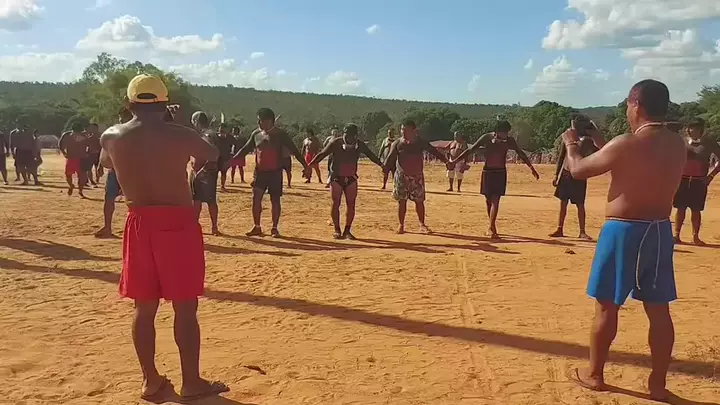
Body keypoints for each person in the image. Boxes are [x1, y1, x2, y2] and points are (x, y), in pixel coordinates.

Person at [99, 74, 227, 401]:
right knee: (185, 308)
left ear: (129, 103)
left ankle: (150, 380)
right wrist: (177, 126)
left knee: (144, 308)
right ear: (165, 103)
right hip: (178, 224)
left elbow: (106, 163)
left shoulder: (111, 136)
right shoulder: (181, 134)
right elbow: (211, 152)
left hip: (139, 222)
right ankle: (191, 382)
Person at [562, 80, 685, 402]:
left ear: (636, 104)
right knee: (659, 311)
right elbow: (631, 157)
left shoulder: (626, 144)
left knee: (606, 306)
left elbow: (578, 170)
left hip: (623, 230)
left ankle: (595, 374)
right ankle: (657, 384)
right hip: (658, 230)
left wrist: (572, 145)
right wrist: (599, 138)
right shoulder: (676, 143)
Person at [451, 120, 540, 239]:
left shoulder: (509, 141)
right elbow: (470, 150)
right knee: (488, 200)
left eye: (506, 133)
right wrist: (455, 161)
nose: (505, 135)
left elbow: (520, 153)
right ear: (496, 131)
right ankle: (492, 226)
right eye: (503, 132)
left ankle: (491, 227)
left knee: (495, 200)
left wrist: (531, 167)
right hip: (487, 172)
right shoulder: (487, 137)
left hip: (500, 173)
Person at [233, 107, 308, 237]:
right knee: (256, 198)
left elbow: (295, 150)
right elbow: (245, 149)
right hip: (260, 172)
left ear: (269, 121)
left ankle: (274, 228)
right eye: (258, 120)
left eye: (260, 120)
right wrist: (231, 161)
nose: (258, 123)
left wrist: (305, 166)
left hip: (275, 173)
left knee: (275, 200)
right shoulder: (256, 134)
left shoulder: (281, 135)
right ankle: (257, 226)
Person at [305, 124, 384, 239]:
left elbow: (371, 155)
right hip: (337, 178)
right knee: (335, 203)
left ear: (356, 136)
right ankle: (337, 229)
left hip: (351, 178)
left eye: (351, 136)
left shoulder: (360, 145)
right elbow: (322, 154)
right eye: (346, 136)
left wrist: (381, 164)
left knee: (351, 204)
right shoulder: (335, 143)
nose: (348, 139)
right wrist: (309, 165)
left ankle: (347, 230)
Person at [384, 119, 453, 234]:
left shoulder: (420, 142)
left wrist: (446, 161)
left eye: (406, 130)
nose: (403, 132)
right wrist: (384, 167)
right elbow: (390, 158)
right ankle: (401, 225)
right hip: (401, 176)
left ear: (414, 130)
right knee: (402, 201)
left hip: (417, 177)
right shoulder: (397, 143)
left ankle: (422, 224)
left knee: (419, 201)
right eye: (402, 130)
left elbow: (434, 152)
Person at [550, 115, 607, 240]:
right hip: (566, 174)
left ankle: (582, 232)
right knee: (563, 203)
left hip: (579, 176)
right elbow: (561, 156)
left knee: (580, 204)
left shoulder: (587, 140)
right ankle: (560, 228)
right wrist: (556, 174)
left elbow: (600, 152)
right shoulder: (569, 138)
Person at [672, 117, 720, 245]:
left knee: (696, 209)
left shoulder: (709, 143)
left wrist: (711, 176)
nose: (691, 130)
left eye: (694, 128)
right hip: (682, 180)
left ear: (701, 130)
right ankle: (676, 235)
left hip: (699, 181)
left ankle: (695, 237)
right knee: (680, 208)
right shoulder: (682, 141)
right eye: (689, 127)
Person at [94, 108, 133, 238]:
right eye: (121, 117)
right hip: (114, 171)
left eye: (124, 117)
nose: (121, 120)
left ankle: (134, 229)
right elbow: (106, 149)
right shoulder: (114, 132)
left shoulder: (137, 133)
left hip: (132, 172)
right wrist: (100, 165)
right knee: (109, 198)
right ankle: (107, 227)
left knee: (134, 201)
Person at [190, 111, 221, 236]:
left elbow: (213, 154)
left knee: (208, 200)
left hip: (205, 173)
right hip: (200, 172)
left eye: (193, 122)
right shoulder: (204, 134)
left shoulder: (207, 135)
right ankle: (196, 225)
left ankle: (213, 227)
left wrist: (203, 170)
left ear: (196, 122)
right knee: (198, 200)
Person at [59, 123, 90, 197]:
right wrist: (64, 152)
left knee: (81, 176)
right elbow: (60, 144)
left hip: (80, 158)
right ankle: (73, 187)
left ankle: (79, 190)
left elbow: (90, 145)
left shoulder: (84, 136)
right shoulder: (67, 135)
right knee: (70, 175)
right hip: (73, 158)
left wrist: (87, 152)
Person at [215, 123, 235, 192]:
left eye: (223, 128)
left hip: (225, 158)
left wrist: (231, 154)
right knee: (215, 173)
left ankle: (222, 186)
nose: (221, 129)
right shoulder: (216, 137)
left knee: (223, 172)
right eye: (220, 128)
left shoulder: (229, 138)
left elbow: (234, 145)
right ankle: (215, 186)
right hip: (216, 158)